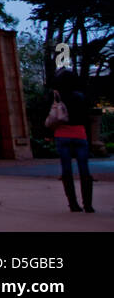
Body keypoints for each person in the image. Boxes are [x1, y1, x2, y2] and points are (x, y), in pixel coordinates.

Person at [48, 69, 95, 214]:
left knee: (66, 170)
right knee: (84, 169)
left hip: (62, 135)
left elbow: (51, 116)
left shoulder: (56, 97)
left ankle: (73, 204)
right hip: (80, 134)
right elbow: (88, 119)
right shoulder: (80, 96)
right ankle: (88, 205)